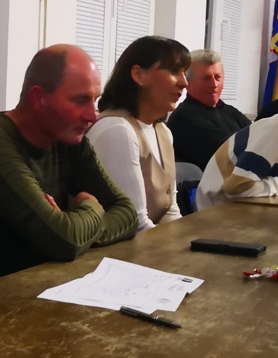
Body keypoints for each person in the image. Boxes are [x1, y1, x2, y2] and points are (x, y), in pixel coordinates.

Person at [0, 45, 138, 300]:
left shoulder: (69, 139)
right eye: (80, 100)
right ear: (38, 98)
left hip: (33, 286)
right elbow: (65, 242)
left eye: (95, 100)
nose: (92, 116)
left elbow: (127, 213)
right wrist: (92, 208)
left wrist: (75, 228)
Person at [86, 36, 188, 231]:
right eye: (174, 71)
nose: (184, 83)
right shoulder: (117, 130)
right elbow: (135, 224)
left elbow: (169, 211)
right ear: (138, 74)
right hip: (117, 247)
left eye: (185, 73)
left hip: (150, 241)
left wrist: (187, 241)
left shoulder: (163, 132)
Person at [167, 49, 251, 171]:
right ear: (188, 83)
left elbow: (258, 136)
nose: (214, 85)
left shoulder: (228, 111)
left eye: (217, 77)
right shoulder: (184, 118)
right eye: (206, 78)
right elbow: (232, 156)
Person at [195, 115, 278, 210]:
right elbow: (235, 188)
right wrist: (275, 184)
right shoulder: (273, 133)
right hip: (217, 209)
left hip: (242, 205)